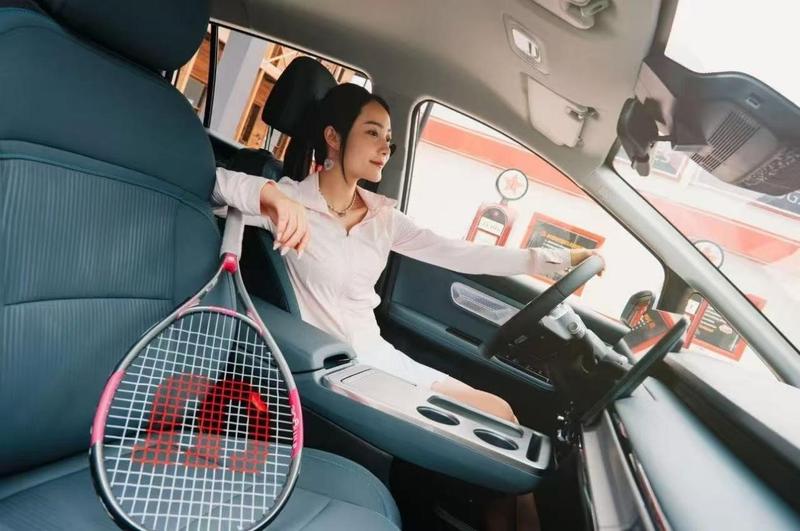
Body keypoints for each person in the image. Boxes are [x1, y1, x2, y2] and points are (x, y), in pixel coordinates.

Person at [213, 83, 599, 424]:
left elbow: (460, 253)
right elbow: (212, 187)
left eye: (389, 139)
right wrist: (272, 196)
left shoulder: (382, 218)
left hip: (381, 359)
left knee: (501, 410)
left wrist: (554, 261)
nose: (386, 148)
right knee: (496, 417)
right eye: (372, 133)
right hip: (333, 369)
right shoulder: (289, 201)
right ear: (333, 136)